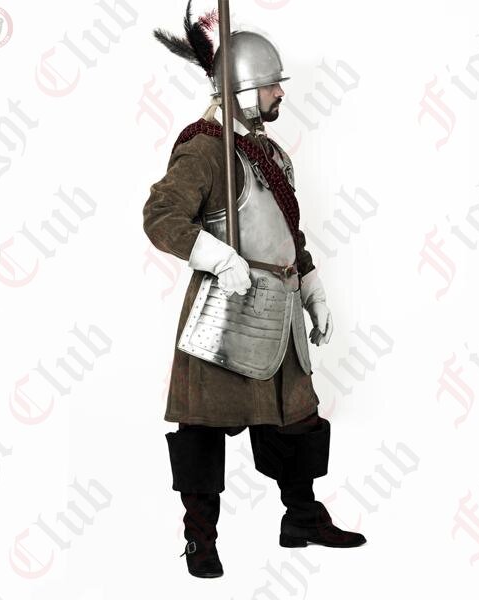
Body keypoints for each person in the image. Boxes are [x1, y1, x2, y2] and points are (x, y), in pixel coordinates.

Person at [143, 3, 366, 579]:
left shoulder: (268, 152)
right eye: (270, 85)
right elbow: (162, 218)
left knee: (297, 418)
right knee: (202, 430)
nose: (279, 94)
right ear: (242, 90)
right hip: (226, 311)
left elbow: (288, 230)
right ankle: (200, 541)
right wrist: (219, 258)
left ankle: (302, 518)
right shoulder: (205, 149)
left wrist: (310, 282)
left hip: (280, 308)